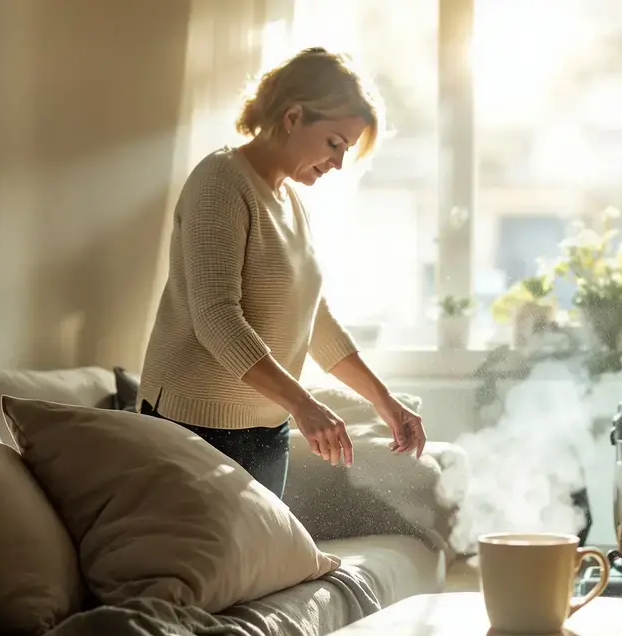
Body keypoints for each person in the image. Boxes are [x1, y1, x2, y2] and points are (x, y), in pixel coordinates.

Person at [138, 46, 427, 499]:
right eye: (334, 143)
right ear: (292, 117)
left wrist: (383, 402)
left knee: (261, 570)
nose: (338, 162)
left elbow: (316, 321)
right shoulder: (221, 181)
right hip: (194, 429)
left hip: (265, 430)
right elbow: (216, 318)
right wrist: (304, 404)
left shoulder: (290, 202)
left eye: (346, 150)